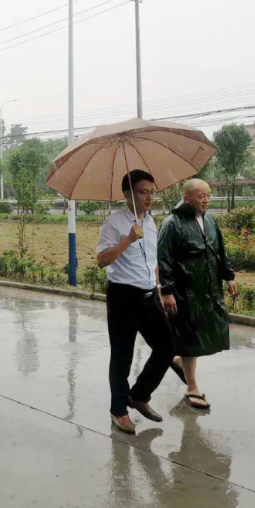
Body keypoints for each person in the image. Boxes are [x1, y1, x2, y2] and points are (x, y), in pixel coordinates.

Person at [96, 170, 182, 434]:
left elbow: (152, 260)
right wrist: (128, 239)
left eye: (151, 192)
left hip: (149, 295)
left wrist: (159, 289)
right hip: (123, 296)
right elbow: (102, 260)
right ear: (127, 194)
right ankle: (118, 410)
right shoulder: (114, 223)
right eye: (143, 192)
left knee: (167, 348)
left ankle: (139, 395)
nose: (149, 197)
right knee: (122, 356)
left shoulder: (150, 222)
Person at [158, 178, 238, 410]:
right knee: (188, 335)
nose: (206, 200)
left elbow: (220, 251)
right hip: (184, 290)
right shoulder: (172, 224)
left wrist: (229, 276)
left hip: (207, 289)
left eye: (208, 195)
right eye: (201, 196)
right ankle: (192, 387)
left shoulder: (210, 221)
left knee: (201, 332)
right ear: (187, 198)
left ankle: (179, 362)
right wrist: (167, 291)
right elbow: (163, 259)